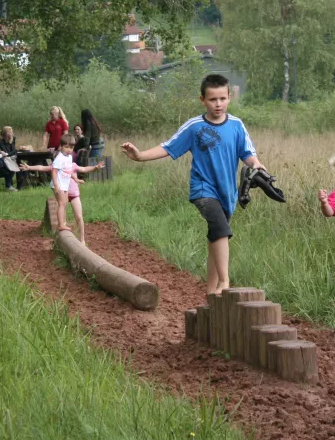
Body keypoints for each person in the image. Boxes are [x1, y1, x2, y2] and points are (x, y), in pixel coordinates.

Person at [121, 74, 264, 296]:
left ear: (229, 98)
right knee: (220, 230)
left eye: (222, 99)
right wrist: (139, 156)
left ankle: (211, 294)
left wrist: (257, 166)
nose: (218, 104)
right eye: (213, 99)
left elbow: (248, 154)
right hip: (203, 190)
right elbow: (168, 147)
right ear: (202, 100)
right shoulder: (194, 126)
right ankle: (225, 282)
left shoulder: (236, 125)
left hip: (228, 192)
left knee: (216, 238)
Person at [21, 134, 105, 244]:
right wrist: (56, 185)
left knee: (64, 203)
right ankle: (61, 225)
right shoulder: (60, 158)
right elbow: (53, 171)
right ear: (61, 147)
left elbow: (71, 171)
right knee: (62, 203)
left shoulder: (69, 158)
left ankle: (63, 224)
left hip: (64, 185)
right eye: (67, 147)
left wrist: (87, 172)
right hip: (59, 185)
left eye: (71, 147)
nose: (69, 150)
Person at [0, 126, 26, 190]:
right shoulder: (0, 142)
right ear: (7, 134)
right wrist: (17, 149)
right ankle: (9, 186)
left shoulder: (13, 139)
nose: (13, 134)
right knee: (15, 165)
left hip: (12, 159)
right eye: (11, 132)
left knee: (22, 165)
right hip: (5, 161)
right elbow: (6, 154)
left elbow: (12, 152)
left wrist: (12, 142)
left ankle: (20, 186)